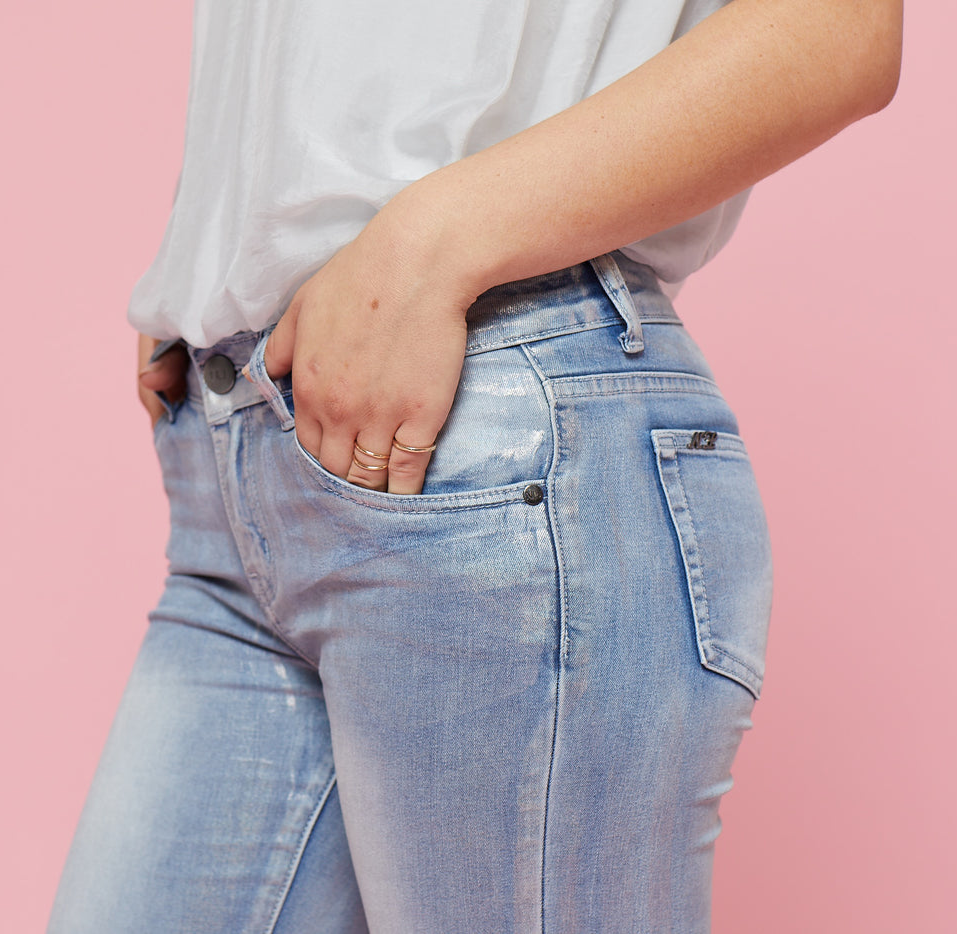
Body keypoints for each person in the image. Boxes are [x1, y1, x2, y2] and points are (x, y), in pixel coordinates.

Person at [48, 0, 902, 931]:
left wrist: (430, 246)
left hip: (487, 439)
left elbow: (841, 29)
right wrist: (212, 262)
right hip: (237, 457)